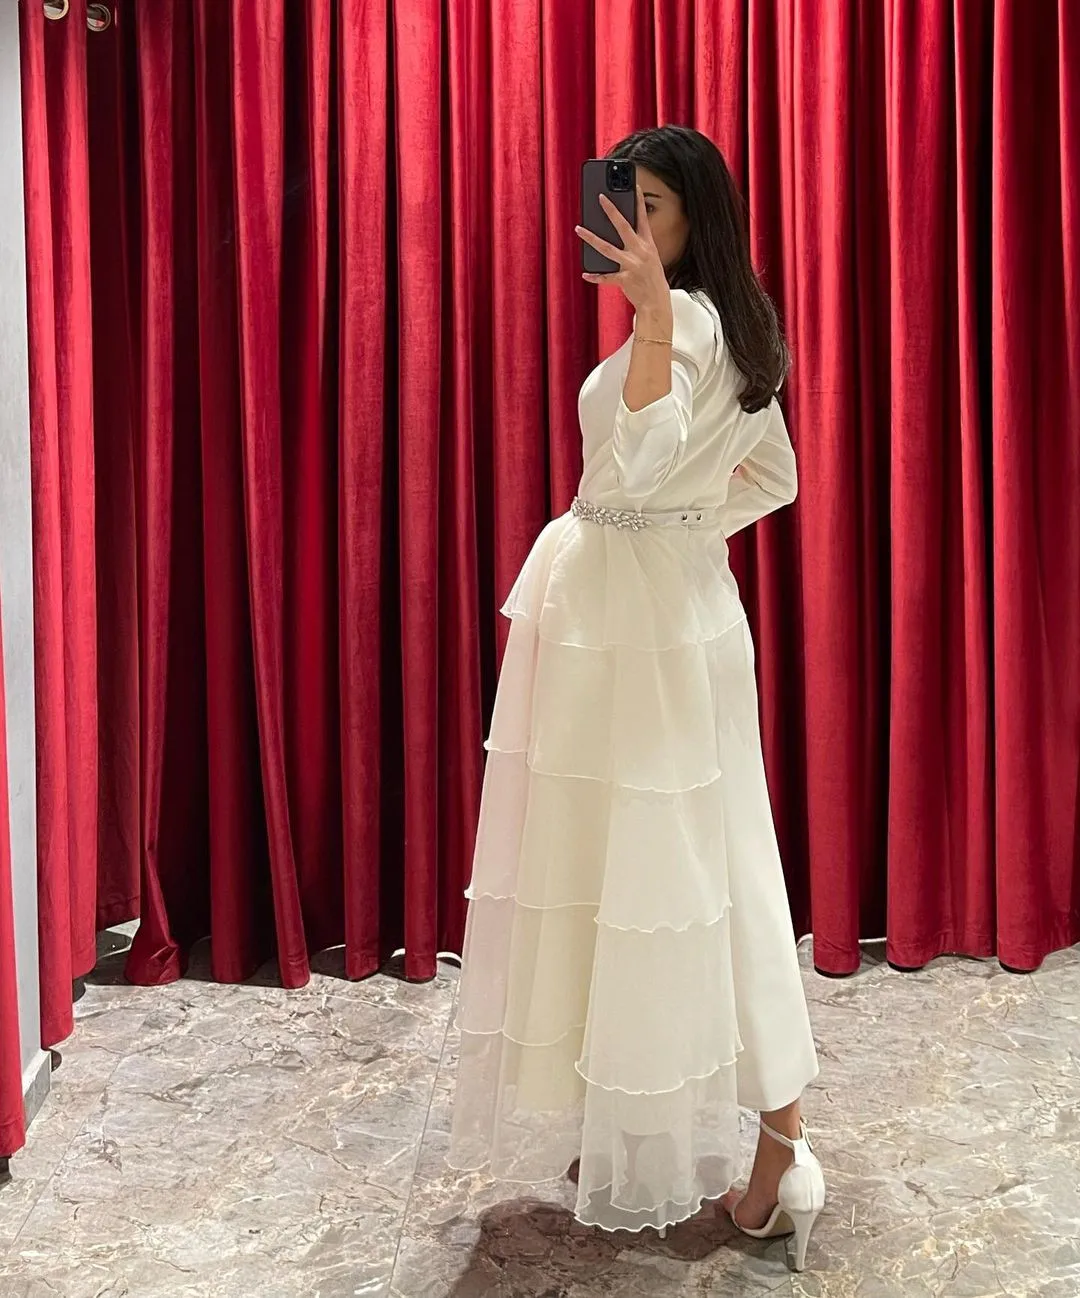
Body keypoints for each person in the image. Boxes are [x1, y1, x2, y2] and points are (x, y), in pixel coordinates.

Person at [447, 125, 825, 1273]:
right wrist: (683, 537)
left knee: (675, 870)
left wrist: (654, 324)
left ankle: (776, 1148)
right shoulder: (735, 324)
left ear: (694, 218)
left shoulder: (689, 321)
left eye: (651, 205)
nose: (629, 225)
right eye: (623, 201)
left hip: (641, 632)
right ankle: (712, 1132)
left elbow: (650, 456)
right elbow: (773, 473)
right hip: (660, 617)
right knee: (683, 867)